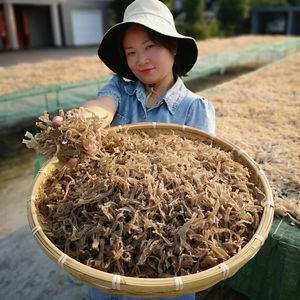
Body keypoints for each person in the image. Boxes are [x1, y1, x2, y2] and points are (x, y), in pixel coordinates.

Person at [54, 0, 215, 299]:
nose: (141, 59)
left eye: (150, 45)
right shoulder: (121, 89)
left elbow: (199, 181)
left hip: (167, 247)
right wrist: (78, 125)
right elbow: (101, 108)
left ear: (173, 47)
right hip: (107, 241)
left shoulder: (195, 108)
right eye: (131, 52)